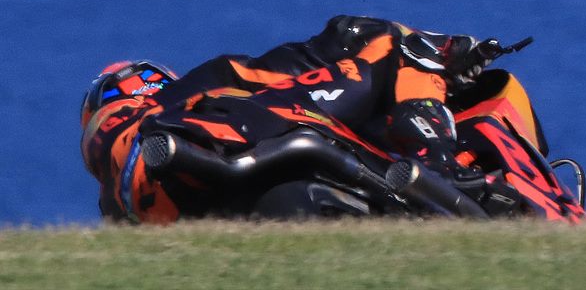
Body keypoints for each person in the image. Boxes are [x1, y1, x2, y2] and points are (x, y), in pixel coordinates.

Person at [79, 14, 498, 222]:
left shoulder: (112, 199)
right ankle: (441, 160)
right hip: (221, 135)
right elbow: (300, 58)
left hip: (197, 181)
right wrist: (447, 53)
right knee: (391, 43)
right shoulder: (190, 93)